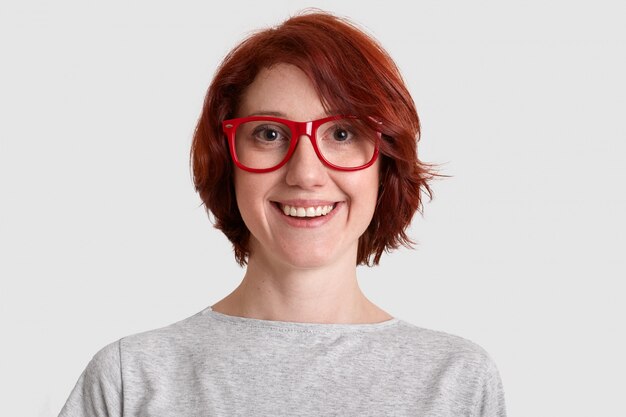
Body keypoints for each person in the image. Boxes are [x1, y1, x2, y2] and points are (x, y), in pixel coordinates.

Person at [58, 10, 507, 417]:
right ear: (227, 159)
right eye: (270, 133)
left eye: (343, 133)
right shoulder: (129, 380)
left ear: (385, 163)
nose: (306, 173)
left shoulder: (457, 383)